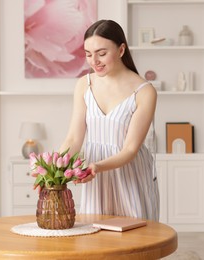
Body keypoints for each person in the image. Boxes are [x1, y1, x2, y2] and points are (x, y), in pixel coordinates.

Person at [59, 20, 159, 221]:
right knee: (95, 238)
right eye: (88, 54)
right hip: (95, 177)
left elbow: (130, 149)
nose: (94, 61)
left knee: (134, 238)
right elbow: (73, 139)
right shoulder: (84, 85)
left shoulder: (144, 91)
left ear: (121, 50)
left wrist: (97, 167)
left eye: (101, 53)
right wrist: (55, 168)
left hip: (129, 173)